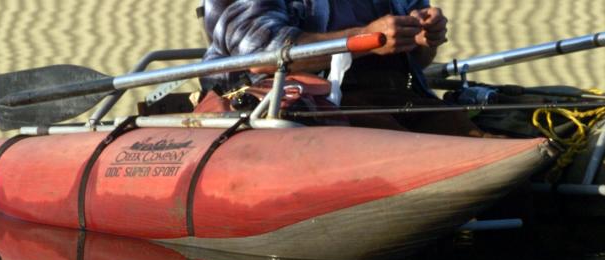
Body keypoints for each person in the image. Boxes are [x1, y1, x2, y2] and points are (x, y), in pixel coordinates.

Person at [199, 0, 486, 135]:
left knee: (467, 132)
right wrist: (364, 40)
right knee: (389, 137)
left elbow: (420, 62)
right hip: (302, 106)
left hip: (397, 99)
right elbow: (258, 54)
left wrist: (425, 39)